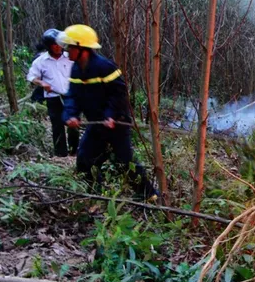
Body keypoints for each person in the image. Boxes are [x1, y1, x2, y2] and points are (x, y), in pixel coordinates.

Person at [58, 24, 158, 200]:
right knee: (84, 158)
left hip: (117, 124)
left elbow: (119, 94)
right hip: (96, 125)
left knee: (126, 162)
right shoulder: (75, 70)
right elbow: (72, 96)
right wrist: (70, 115)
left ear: (82, 48)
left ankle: (150, 195)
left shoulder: (105, 67)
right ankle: (92, 194)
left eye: (70, 47)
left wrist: (110, 115)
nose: (67, 51)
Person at [27, 29, 79, 157]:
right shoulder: (40, 61)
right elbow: (32, 77)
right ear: (48, 47)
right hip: (53, 98)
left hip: (70, 97)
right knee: (57, 125)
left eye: (59, 44)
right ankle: (61, 154)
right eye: (54, 45)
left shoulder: (69, 58)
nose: (57, 47)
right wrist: (42, 83)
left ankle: (75, 151)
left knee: (73, 125)